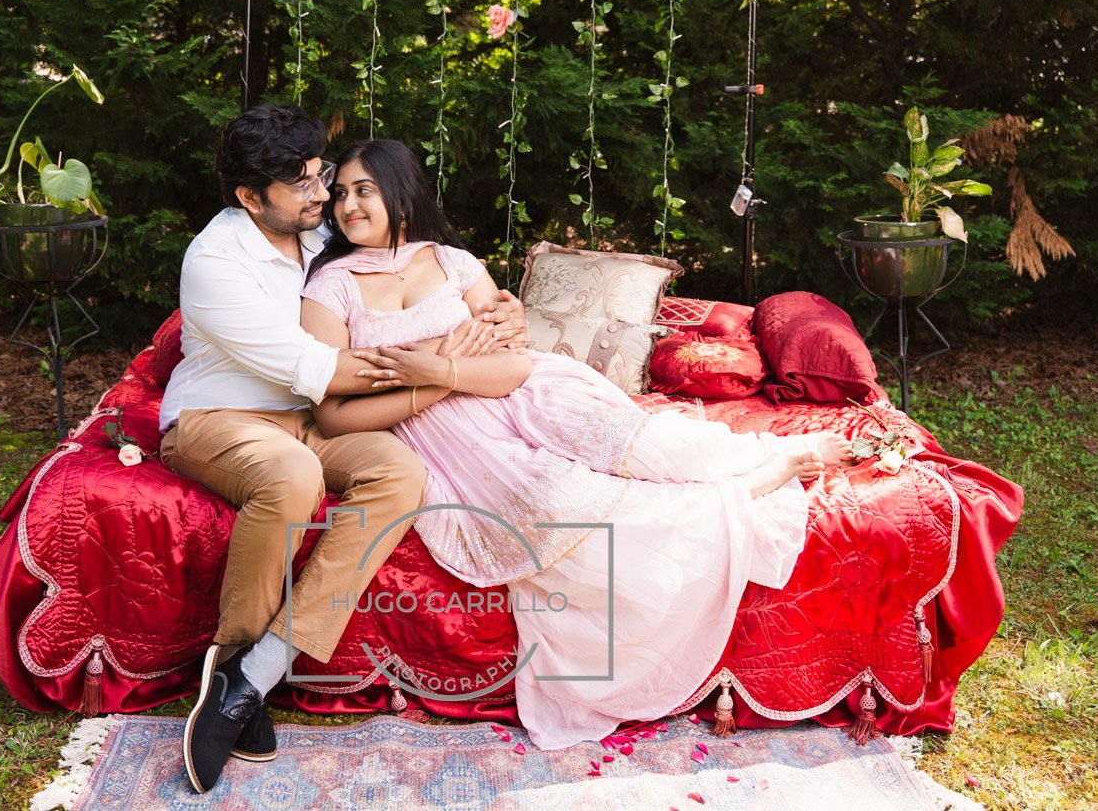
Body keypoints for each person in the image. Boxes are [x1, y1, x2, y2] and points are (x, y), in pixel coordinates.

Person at [298, 137, 853, 750]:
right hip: (448, 432)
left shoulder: (453, 264)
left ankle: (749, 462)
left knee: (647, 445)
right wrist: (432, 377)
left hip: (525, 391)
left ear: (400, 192)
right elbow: (331, 414)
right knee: (565, 508)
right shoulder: (330, 288)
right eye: (341, 193)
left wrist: (435, 367)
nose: (347, 205)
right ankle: (739, 496)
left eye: (364, 189)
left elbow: (510, 366)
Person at [159, 104, 527, 792]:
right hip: (217, 418)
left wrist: (503, 311)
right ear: (249, 197)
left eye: (317, 174)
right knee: (292, 475)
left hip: (308, 420)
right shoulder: (216, 263)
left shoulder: (316, 226)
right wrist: (438, 357)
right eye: (300, 184)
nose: (321, 194)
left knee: (399, 472)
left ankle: (256, 670)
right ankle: (232, 662)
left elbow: (414, 255)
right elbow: (327, 370)